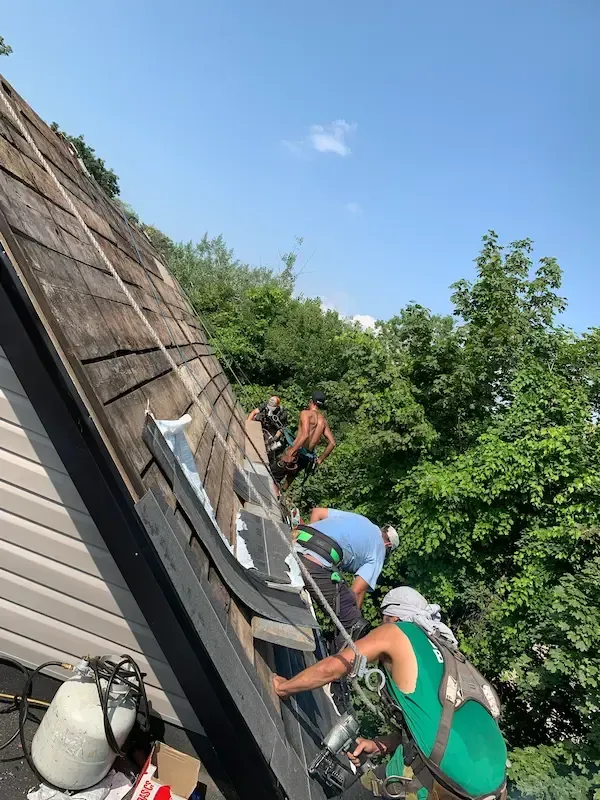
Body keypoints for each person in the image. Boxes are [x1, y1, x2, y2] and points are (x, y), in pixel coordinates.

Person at [272, 587, 507, 800]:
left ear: (392, 618)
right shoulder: (446, 652)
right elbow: (434, 731)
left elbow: (333, 668)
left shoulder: (396, 633)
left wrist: (285, 687)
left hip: (440, 781)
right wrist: (378, 745)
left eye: (383, 621)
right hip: (492, 787)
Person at [294, 507, 399, 711]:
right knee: (353, 623)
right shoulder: (379, 550)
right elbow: (357, 590)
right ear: (387, 545)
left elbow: (317, 512)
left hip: (297, 538)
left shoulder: (362, 521)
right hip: (313, 562)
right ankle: (336, 687)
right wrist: (351, 619)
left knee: (343, 607)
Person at [276, 391, 336, 488]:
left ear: (311, 401)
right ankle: (281, 495)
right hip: (307, 456)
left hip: (296, 451)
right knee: (290, 477)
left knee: (275, 475)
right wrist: (320, 459)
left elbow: (305, 435)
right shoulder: (323, 421)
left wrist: (291, 452)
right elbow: (332, 443)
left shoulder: (306, 414)